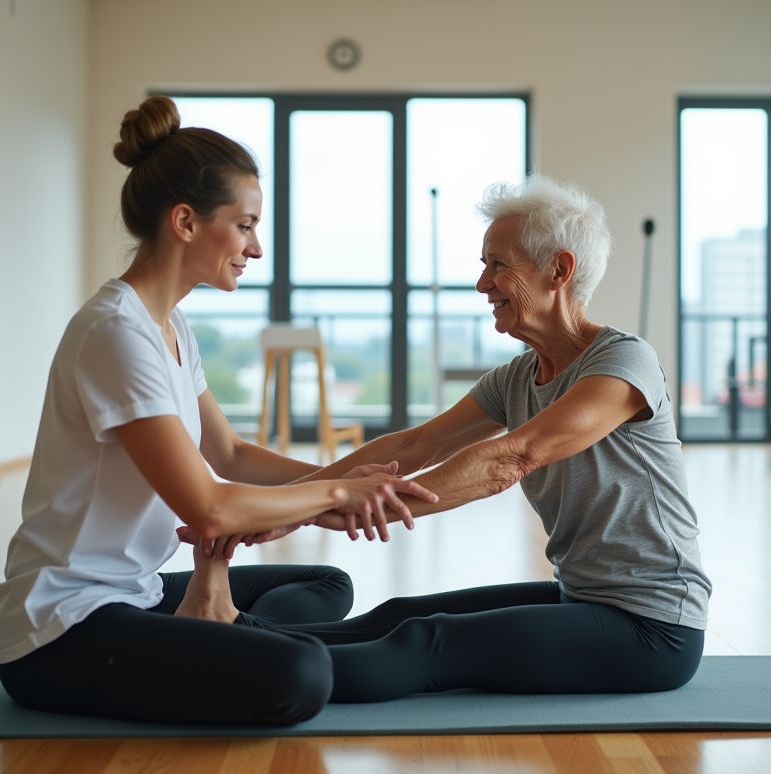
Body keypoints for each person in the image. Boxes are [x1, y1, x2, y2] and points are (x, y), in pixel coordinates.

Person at [0, 95, 437, 725]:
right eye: (246, 224)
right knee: (301, 675)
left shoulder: (169, 326)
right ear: (185, 222)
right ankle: (235, 633)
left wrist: (335, 485)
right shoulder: (115, 333)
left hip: (137, 597)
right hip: (64, 629)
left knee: (324, 587)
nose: (255, 247)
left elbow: (227, 452)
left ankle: (220, 619)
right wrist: (336, 493)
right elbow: (209, 506)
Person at [200, 174, 712, 702]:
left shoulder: (624, 363)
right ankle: (236, 639)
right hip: (580, 598)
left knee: (429, 641)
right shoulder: (517, 378)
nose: (483, 284)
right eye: (483, 265)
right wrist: (287, 504)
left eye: (498, 265)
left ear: (558, 270)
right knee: (401, 615)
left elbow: (511, 459)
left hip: (653, 629)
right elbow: (413, 447)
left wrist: (340, 506)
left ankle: (232, 674)